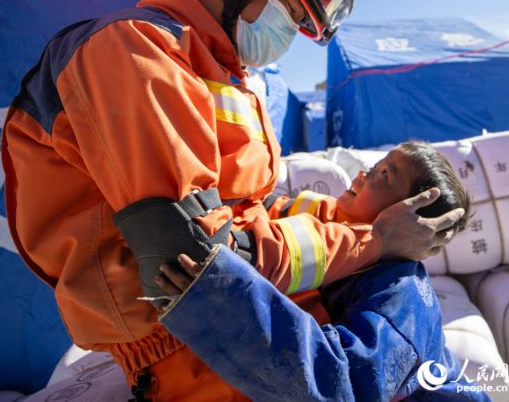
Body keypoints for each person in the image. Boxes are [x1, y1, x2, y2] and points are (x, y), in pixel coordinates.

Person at [1, 0, 464, 402]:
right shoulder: (136, 53)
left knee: (410, 315)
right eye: (289, 10)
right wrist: (370, 242)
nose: (287, 34)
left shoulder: (225, 73)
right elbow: (199, 262)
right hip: (191, 341)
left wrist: (359, 222)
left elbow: (253, 206)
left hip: (246, 309)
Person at [157, 142, 489, 400]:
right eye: (375, 166)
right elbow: (268, 212)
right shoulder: (338, 229)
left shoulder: (400, 298)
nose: (363, 174)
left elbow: (339, 387)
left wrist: (223, 305)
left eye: (384, 176)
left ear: (412, 219)